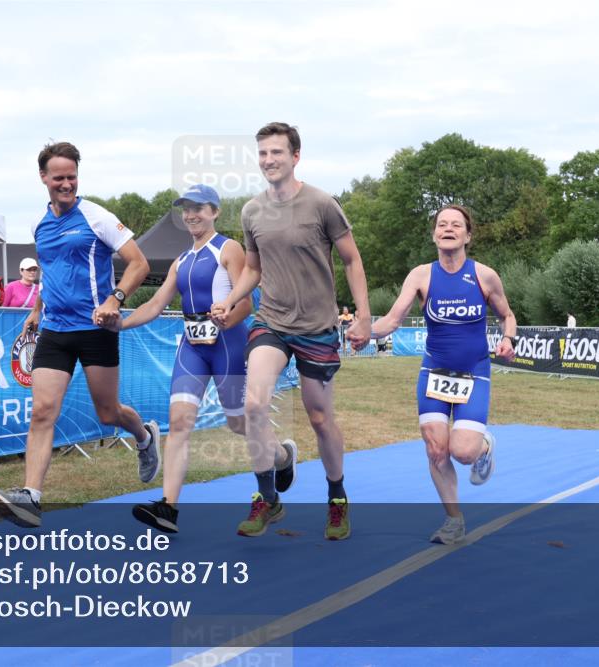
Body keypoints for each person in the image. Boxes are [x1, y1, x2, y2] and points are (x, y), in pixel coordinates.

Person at [210, 122, 371, 541]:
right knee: (254, 405)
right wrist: (230, 299)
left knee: (319, 417)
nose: (269, 161)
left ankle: (337, 498)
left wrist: (364, 317)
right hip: (272, 322)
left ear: (295, 156)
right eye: (263, 154)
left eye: (276, 153)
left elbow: (352, 260)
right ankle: (268, 498)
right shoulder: (251, 211)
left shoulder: (322, 204)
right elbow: (254, 269)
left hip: (317, 327)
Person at [0, 141, 157, 529]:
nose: (67, 184)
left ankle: (144, 435)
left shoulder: (96, 216)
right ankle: (31, 497)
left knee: (107, 412)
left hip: (96, 328)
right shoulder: (39, 224)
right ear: (43, 178)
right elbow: (53, 273)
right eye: (59, 177)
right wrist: (35, 310)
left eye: (72, 177)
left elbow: (139, 263)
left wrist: (116, 299)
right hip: (55, 331)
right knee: (42, 412)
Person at [372, 204, 517, 545]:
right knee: (436, 449)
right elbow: (392, 320)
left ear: (468, 235)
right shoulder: (421, 275)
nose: (448, 229)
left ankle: (483, 447)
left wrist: (508, 338)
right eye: (442, 224)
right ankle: (454, 520)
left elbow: (507, 315)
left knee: (461, 452)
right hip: (434, 370)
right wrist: (363, 332)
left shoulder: (484, 275)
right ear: (434, 233)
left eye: (456, 225)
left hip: (474, 372)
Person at [111, 184, 251, 533]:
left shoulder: (228, 248)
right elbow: (156, 305)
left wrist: (226, 317)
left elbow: (248, 302)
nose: (191, 215)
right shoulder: (181, 261)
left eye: (198, 208)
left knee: (238, 424)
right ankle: (168, 507)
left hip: (228, 343)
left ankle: (280, 456)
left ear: (215, 211)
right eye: (186, 209)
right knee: (179, 421)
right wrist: (122, 324)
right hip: (192, 346)